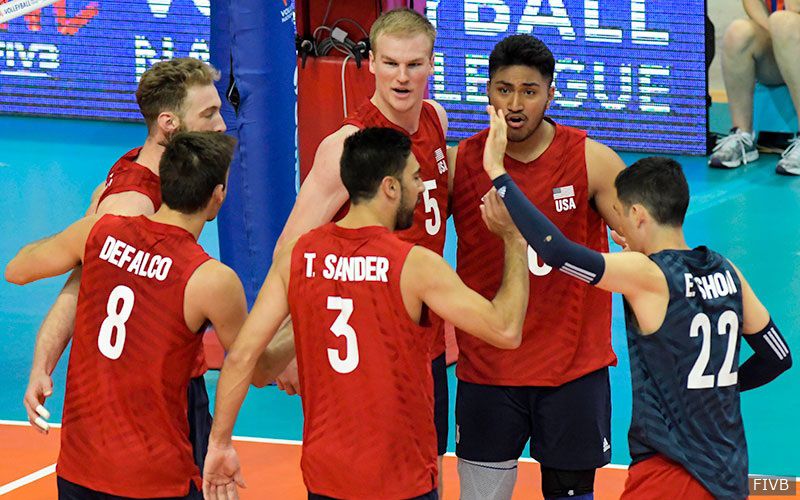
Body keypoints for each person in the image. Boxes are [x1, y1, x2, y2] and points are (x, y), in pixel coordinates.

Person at [480, 105, 793, 499]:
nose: (619, 228)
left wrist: (499, 174)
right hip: (728, 474)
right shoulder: (727, 270)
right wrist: (717, 390)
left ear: (638, 214)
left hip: (668, 477)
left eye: (621, 216)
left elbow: (556, 252)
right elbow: (777, 357)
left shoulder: (646, 275)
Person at [201, 127, 529, 500]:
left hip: (327, 478)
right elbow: (506, 330)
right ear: (390, 187)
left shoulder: (297, 256)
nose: (421, 189)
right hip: (400, 480)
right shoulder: (415, 265)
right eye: (415, 178)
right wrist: (514, 239)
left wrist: (220, 442)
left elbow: (248, 361)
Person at [6, 132, 291, 499]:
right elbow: (259, 369)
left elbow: (18, 269)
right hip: (154, 479)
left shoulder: (98, 231)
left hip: (79, 471)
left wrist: (88, 241)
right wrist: (298, 318)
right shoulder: (210, 280)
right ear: (217, 197)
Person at [273, 7, 453, 488]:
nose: (401, 77)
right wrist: (288, 344)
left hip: (426, 342)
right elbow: (290, 250)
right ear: (370, 62)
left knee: (426, 472)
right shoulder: (347, 146)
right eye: (390, 63)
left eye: (413, 64)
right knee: (364, 481)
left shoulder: (435, 119)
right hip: (367, 347)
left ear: (432, 64)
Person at [22, 57, 227, 473]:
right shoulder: (132, 205)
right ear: (169, 123)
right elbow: (79, 285)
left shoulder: (151, 166)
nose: (221, 125)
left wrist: (42, 365)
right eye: (208, 114)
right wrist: (42, 366)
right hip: (159, 394)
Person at [447, 34, 625, 499]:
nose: (514, 104)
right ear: (487, 90)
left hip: (572, 372)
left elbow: (644, 238)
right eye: (504, 89)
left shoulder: (590, 160)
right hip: (488, 371)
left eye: (529, 91)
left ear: (550, 93)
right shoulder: (460, 163)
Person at [710, 0, 800, 174]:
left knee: (783, 22)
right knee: (739, 32)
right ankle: (742, 136)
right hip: (787, 44)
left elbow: (795, 7)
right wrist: (778, 39)